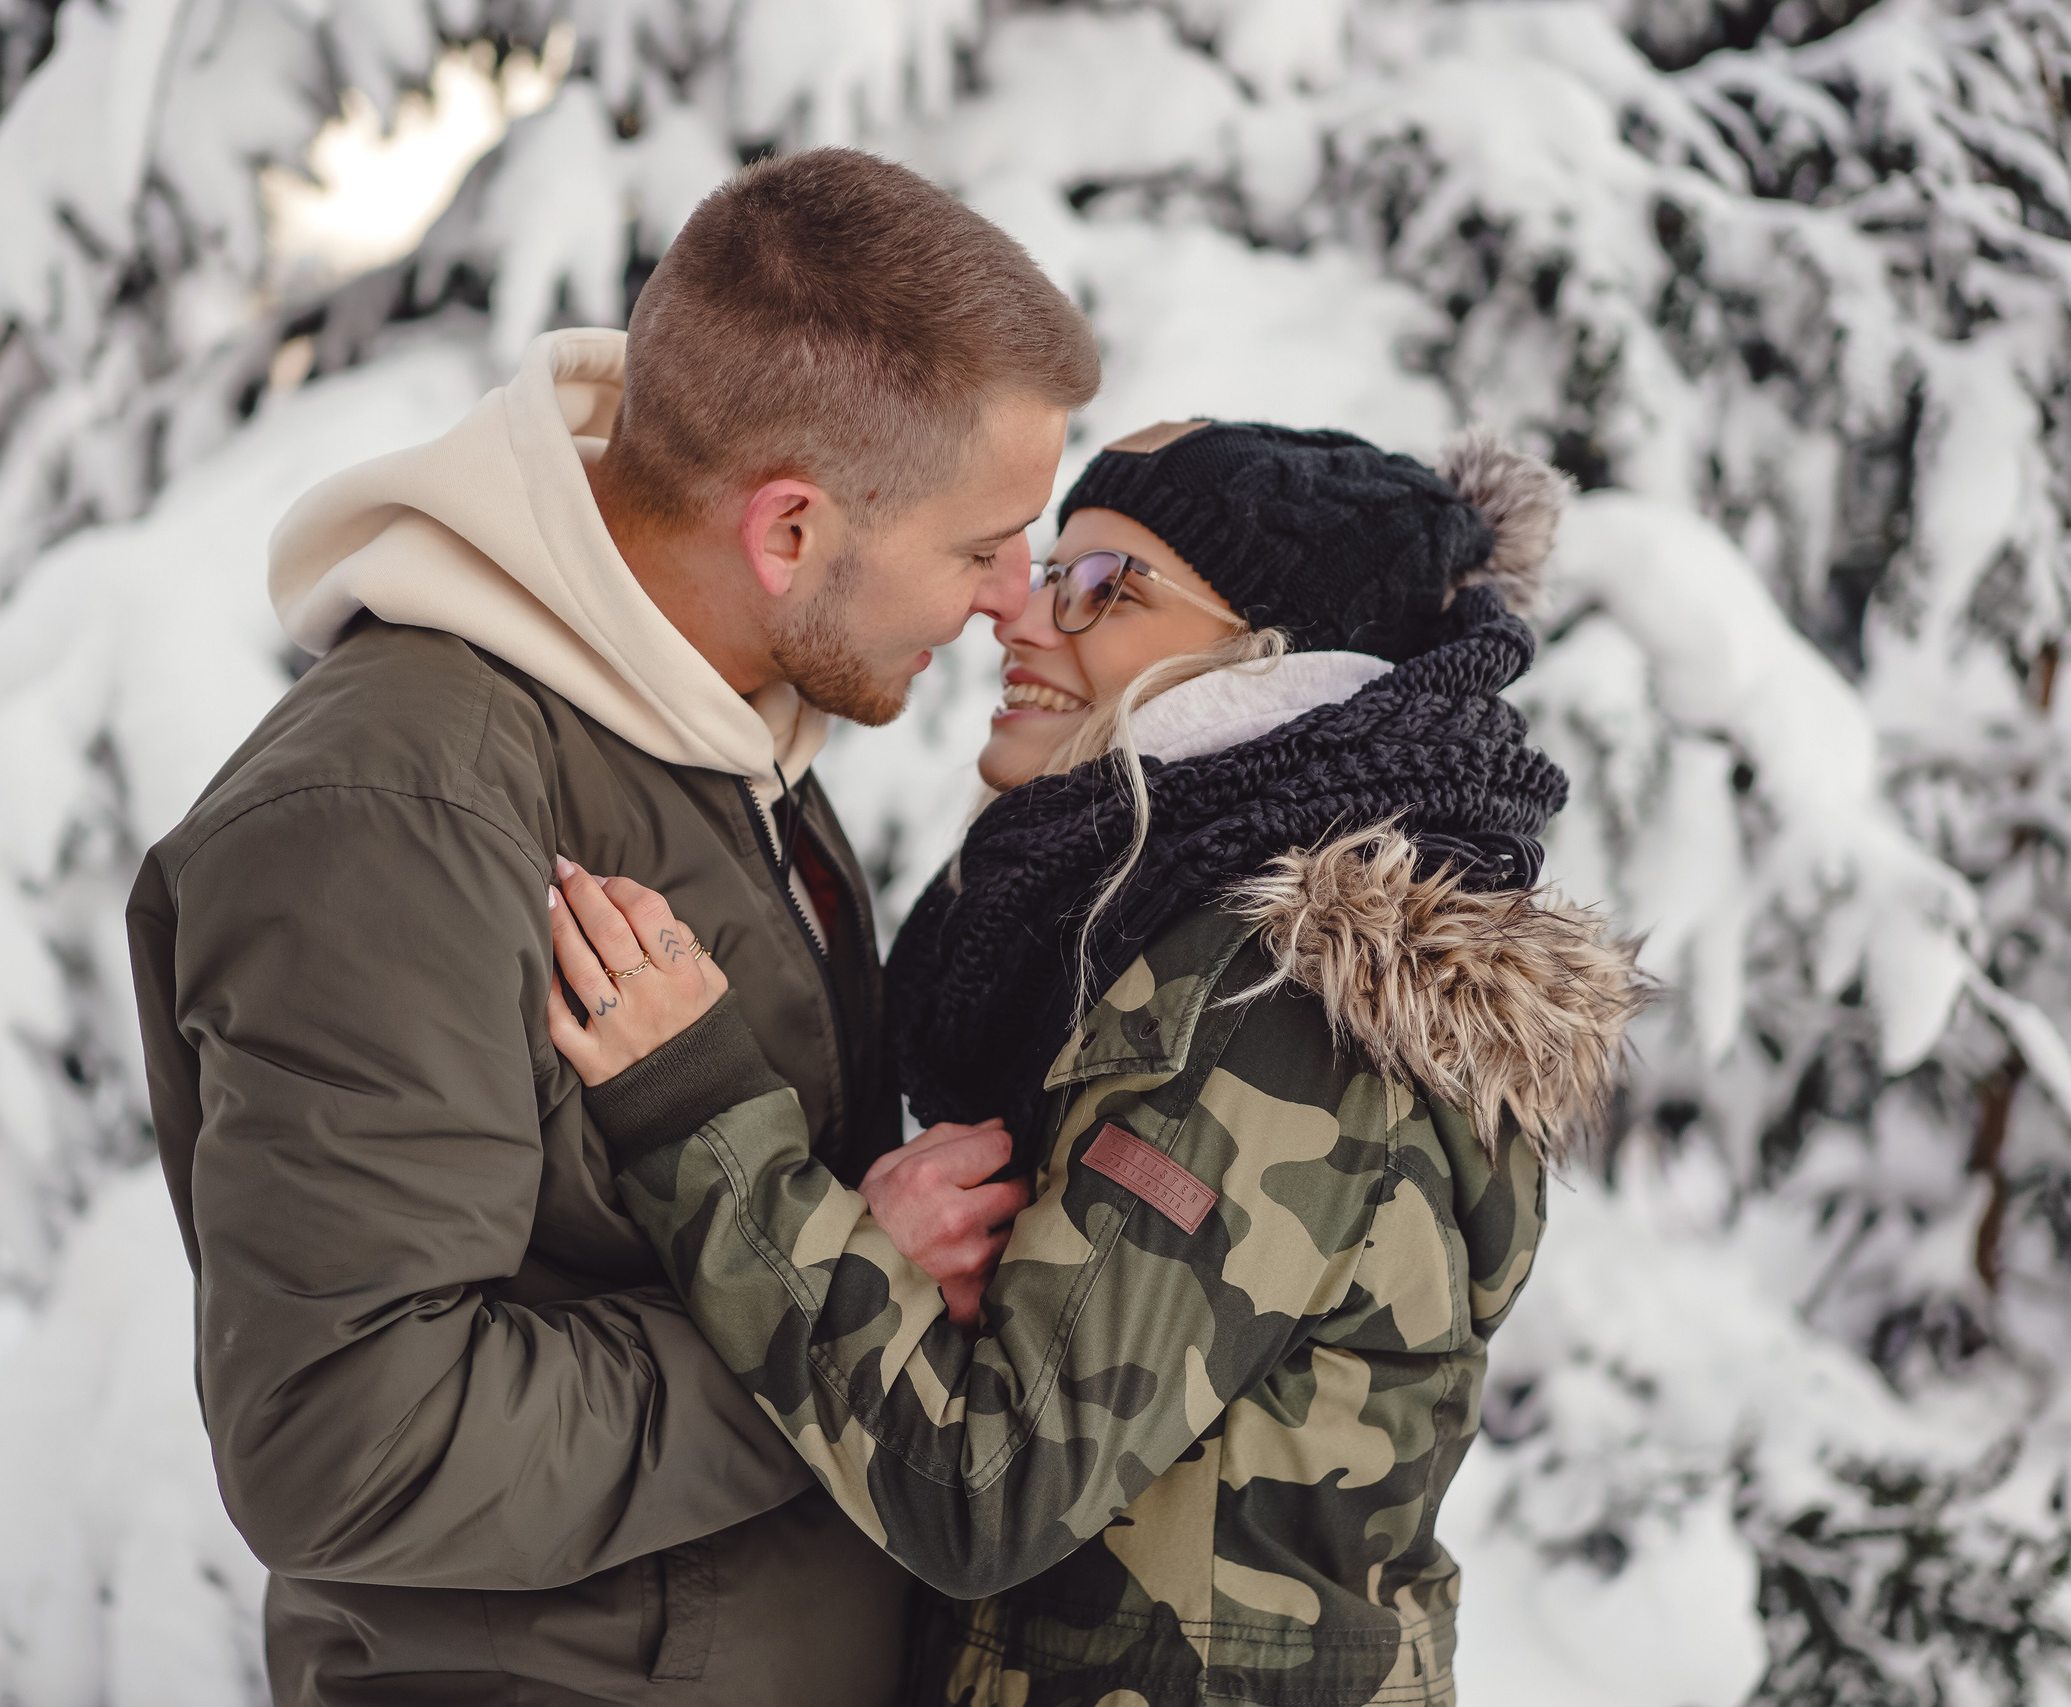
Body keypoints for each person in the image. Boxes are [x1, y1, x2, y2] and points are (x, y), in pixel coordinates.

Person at [124, 148, 1099, 1707]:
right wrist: (835, 1300)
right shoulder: (400, 815)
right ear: (789, 531)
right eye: (981, 545)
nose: (1007, 599)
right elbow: (353, 1443)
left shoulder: (700, 735)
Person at [545, 422, 1649, 1705]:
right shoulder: (1139, 946)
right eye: (1041, 569)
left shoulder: (1269, 1006)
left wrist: (700, 1115)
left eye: (1103, 586)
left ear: (1272, 666)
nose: (1018, 617)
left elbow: (989, 1484)